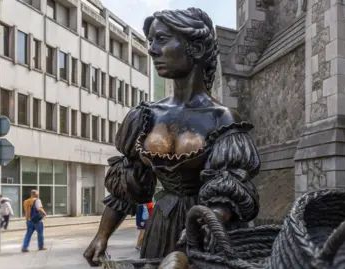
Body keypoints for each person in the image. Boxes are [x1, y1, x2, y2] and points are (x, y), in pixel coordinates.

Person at [84, 8, 260, 265]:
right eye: (151, 41)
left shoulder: (221, 119)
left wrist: (209, 222)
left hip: (209, 232)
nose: (152, 49)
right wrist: (102, 234)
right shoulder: (144, 117)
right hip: (160, 228)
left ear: (196, 49)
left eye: (162, 40)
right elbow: (126, 188)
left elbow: (233, 189)